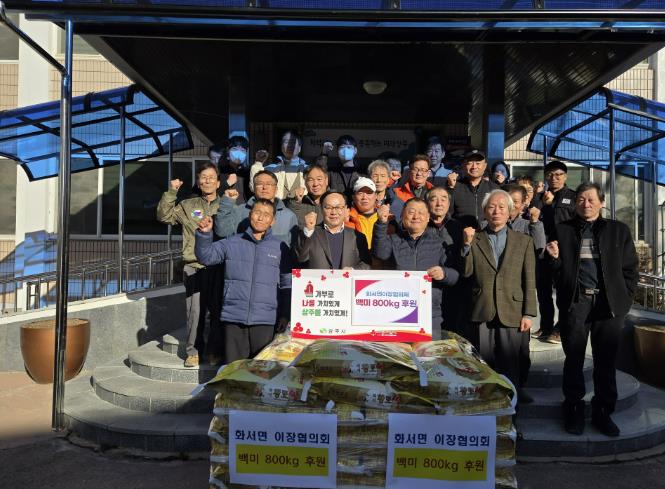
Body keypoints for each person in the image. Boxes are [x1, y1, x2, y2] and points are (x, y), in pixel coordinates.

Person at [545, 182, 638, 437]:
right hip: (577, 302)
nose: (585, 204)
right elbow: (554, 272)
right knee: (574, 358)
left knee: (605, 360)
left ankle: (603, 411)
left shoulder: (618, 230)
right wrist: (553, 259)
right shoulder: (563, 229)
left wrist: (625, 299)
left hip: (609, 305)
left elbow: (630, 269)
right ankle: (573, 408)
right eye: (581, 200)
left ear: (601, 202)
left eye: (591, 199)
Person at [461, 190, 537, 402]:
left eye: (502, 207)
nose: (496, 211)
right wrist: (466, 245)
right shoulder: (474, 238)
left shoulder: (524, 241)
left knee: (511, 363)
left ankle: (511, 408)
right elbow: (467, 272)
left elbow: (529, 279)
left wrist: (528, 313)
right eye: (492, 207)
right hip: (482, 308)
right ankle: (486, 405)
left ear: (510, 211)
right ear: (484, 211)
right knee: (483, 363)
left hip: (512, 309)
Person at [195, 199, 292, 364]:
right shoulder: (232, 242)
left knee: (261, 371)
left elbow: (286, 283)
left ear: (273, 220)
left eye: (266, 214)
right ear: (250, 215)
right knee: (234, 369)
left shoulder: (280, 247)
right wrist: (204, 235)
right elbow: (206, 257)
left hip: (265, 319)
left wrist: (284, 314)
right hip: (234, 317)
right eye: (257, 212)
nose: (260, 218)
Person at [156, 162, 222, 367]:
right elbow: (164, 216)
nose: (207, 180)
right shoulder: (188, 205)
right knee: (195, 312)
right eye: (203, 177)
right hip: (194, 266)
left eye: (211, 177)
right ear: (198, 182)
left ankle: (214, 351)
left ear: (218, 183)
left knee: (218, 310)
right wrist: (172, 192)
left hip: (220, 267)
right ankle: (194, 351)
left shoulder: (226, 205)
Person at [373, 198, 459, 340]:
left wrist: (444, 273)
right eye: (411, 212)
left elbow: (455, 276)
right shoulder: (394, 240)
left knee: (428, 353)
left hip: (429, 315)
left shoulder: (439, 243)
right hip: (396, 312)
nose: (416, 216)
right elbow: (380, 253)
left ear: (428, 218)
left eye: (421, 213)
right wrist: (381, 223)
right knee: (399, 353)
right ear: (402, 216)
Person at [534, 160, 577, 344]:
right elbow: (534, 218)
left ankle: (561, 328)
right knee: (543, 292)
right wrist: (543, 204)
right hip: (542, 249)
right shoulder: (540, 197)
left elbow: (569, 223)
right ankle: (546, 326)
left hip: (563, 251)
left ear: (565, 177)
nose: (554, 178)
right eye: (550, 175)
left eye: (558, 175)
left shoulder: (573, 197)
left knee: (562, 292)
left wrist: (550, 206)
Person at [214, 170, 298, 247]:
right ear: (253, 188)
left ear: (276, 189)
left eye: (269, 184)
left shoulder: (289, 216)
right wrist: (227, 202)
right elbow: (222, 232)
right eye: (260, 184)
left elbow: (294, 248)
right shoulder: (239, 211)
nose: (264, 187)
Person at [295, 190, 371, 270]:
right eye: (328, 207)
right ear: (321, 209)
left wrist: (353, 270)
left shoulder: (357, 237)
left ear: (345, 209)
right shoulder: (310, 233)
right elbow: (299, 259)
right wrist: (308, 231)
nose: (334, 212)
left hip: (347, 278)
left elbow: (367, 264)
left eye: (338, 207)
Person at [426, 186, 464, 333]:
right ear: (427, 203)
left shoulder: (458, 227)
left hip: (453, 290)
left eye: (443, 199)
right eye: (434, 199)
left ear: (449, 203)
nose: (439, 203)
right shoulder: (419, 226)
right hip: (427, 290)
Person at [250, 129, 308, 200]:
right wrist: (258, 163)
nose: (289, 145)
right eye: (286, 142)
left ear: (299, 147)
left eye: (293, 142)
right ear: (281, 147)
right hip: (276, 206)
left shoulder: (308, 170)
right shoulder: (270, 169)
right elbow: (254, 188)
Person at [449, 149, 499, 229]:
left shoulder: (493, 188)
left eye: (478, 163)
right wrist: (450, 188)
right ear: (464, 165)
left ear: (485, 166)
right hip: (460, 233)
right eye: (470, 163)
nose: (474, 167)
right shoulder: (455, 187)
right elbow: (448, 214)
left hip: (486, 234)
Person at [285, 163, 328, 228]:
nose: (315, 184)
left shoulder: (337, 201)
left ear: (326, 180)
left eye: (319, 179)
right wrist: (296, 203)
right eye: (310, 180)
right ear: (305, 183)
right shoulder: (298, 203)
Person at [346, 177, 379, 250]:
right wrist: (345, 223)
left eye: (369, 193)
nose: (364, 197)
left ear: (376, 196)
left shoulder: (387, 218)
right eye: (360, 193)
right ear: (353, 197)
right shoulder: (346, 219)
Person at [327, 135, 362, 201]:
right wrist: (324, 154)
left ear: (355, 150)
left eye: (349, 147)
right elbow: (318, 172)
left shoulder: (363, 172)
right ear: (337, 151)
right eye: (342, 147)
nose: (346, 150)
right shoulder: (331, 173)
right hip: (337, 207)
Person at [218, 136, 251, 204]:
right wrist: (227, 183)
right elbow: (212, 194)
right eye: (235, 149)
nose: (239, 153)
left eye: (242, 150)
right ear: (228, 150)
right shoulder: (219, 171)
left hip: (245, 209)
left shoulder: (248, 172)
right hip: (224, 208)